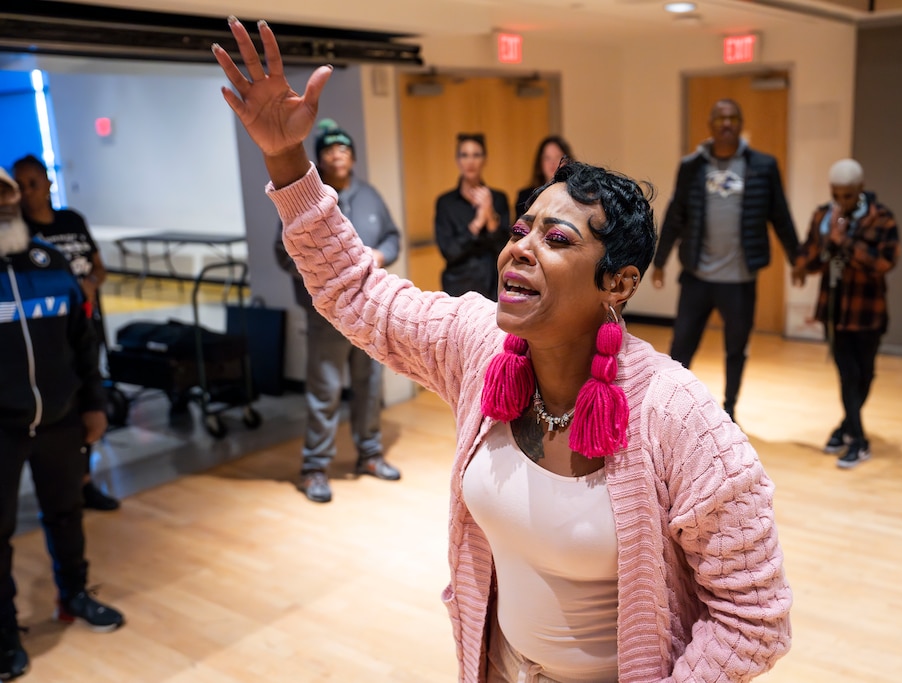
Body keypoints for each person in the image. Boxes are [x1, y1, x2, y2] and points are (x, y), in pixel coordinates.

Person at [214, 19, 792, 682]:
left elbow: (754, 618)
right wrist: (288, 163)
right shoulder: (478, 345)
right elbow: (356, 293)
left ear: (620, 283)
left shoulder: (679, 418)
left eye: (557, 238)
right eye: (522, 228)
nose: (519, 245)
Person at [0, 167, 125, 680]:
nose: (4, 205)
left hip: (60, 421)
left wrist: (93, 404)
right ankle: (4, 633)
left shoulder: (50, 263)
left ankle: (73, 594)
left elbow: (83, 343)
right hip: (0, 433)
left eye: (6, 195)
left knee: (67, 514)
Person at [274, 119, 403, 501]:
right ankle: (315, 467)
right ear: (319, 159)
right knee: (325, 391)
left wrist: (381, 254)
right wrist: (318, 275)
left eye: (343, 149)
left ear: (353, 156)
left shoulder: (369, 195)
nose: (337, 155)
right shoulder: (308, 202)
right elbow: (283, 251)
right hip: (326, 316)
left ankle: (369, 454)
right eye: (329, 150)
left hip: (369, 312)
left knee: (369, 386)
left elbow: (392, 237)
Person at [651, 99, 799, 422]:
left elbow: (780, 216)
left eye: (733, 117)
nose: (726, 123)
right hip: (697, 277)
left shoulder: (762, 165)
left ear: (740, 123)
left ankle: (730, 409)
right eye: (720, 118)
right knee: (681, 349)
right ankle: (670, 410)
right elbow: (676, 215)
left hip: (739, 281)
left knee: (736, 349)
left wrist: (796, 258)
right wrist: (659, 261)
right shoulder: (692, 167)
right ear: (710, 125)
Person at [13, 154, 120, 512]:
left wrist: (89, 283)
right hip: (50, 337)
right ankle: (70, 485)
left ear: (47, 183)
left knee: (87, 399)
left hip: (86, 326)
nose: (28, 192)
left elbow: (99, 267)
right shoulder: (21, 236)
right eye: (21, 185)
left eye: (33, 182)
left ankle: (84, 479)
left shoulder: (72, 220)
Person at [792, 159, 900, 468]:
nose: (840, 202)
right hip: (834, 311)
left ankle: (844, 427)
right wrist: (806, 259)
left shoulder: (881, 218)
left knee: (865, 375)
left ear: (860, 190)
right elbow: (809, 256)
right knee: (847, 375)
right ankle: (859, 441)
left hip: (868, 311)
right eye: (836, 194)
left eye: (848, 196)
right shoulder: (823, 217)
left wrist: (846, 243)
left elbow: (885, 263)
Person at [434, 132, 511, 299]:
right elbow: (450, 252)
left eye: (476, 155)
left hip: (493, 285)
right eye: (464, 155)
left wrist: (490, 217)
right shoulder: (446, 203)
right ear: (457, 160)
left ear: (484, 160)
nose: (470, 161)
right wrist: (477, 222)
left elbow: (505, 250)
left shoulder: (498, 198)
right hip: (458, 287)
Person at [515, 135, 574, 216]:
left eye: (558, 157)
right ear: (540, 163)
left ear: (568, 161)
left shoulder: (576, 193)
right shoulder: (525, 197)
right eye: (547, 158)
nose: (553, 163)